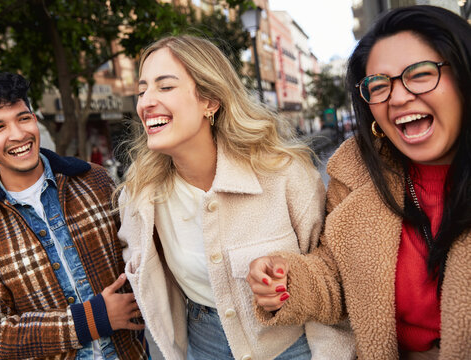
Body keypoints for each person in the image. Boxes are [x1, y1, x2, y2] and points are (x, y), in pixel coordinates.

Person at [248, 5, 471, 359]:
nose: (397, 97)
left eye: (420, 74)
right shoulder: (355, 173)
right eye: (379, 85)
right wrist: (288, 281)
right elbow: (340, 277)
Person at [115, 35, 355, 360]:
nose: (145, 102)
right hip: (204, 344)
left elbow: (331, 277)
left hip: (295, 346)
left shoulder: (284, 174)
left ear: (210, 101)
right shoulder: (140, 195)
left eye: (165, 87)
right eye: (142, 90)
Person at [0, 72, 147, 360]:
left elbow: (139, 257)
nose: (18, 134)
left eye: (23, 118)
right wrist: (90, 319)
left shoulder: (94, 181)